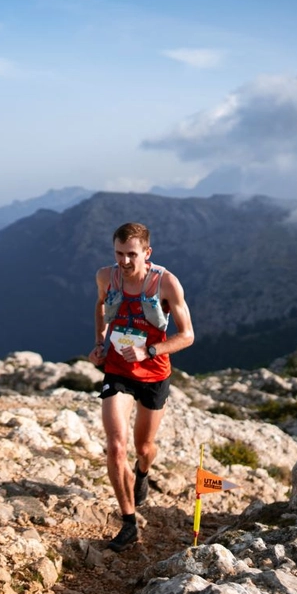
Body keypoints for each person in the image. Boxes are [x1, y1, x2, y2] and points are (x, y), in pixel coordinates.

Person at [89, 222, 195, 551]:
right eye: (119, 253)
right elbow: (101, 308)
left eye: (131, 254)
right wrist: (99, 343)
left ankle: (143, 472)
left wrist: (149, 350)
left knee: (143, 448)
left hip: (153, 373)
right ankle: (129, 522)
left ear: (147, 253)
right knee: (116, 446)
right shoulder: (106, 277)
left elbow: (187, 335)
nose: (124, 261)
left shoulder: (166, 283)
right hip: (118, 370)